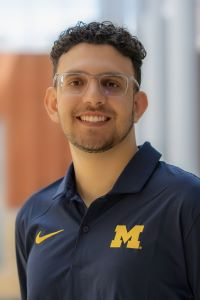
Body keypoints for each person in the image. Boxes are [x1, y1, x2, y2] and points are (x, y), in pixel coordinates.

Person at [15, 21, 200, 300]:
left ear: (137, 106)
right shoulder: (34, 214)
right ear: (53, 104)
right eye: (76, 82)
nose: (93, 98)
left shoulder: (186, 203)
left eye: (111, 84)